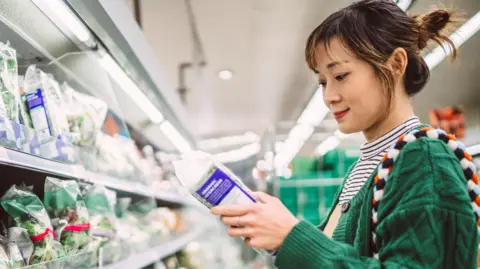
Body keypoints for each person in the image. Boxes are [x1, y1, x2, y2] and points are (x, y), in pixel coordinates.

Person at [211, 0, 480, 268]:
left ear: (396, 64)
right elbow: (348, 249)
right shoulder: (368, 166)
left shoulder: (425, 158)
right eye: (322, 82)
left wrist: (291, 236)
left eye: (340, 76)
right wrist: (276, 235)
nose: (329, 97)